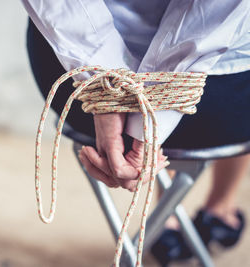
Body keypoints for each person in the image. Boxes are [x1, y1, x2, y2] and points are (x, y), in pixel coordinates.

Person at [21, 0, 250, 265]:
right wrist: (145, 123)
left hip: (72, 84)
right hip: (221, 95)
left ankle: (168, 222)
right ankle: (219, 208)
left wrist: (104, 92)